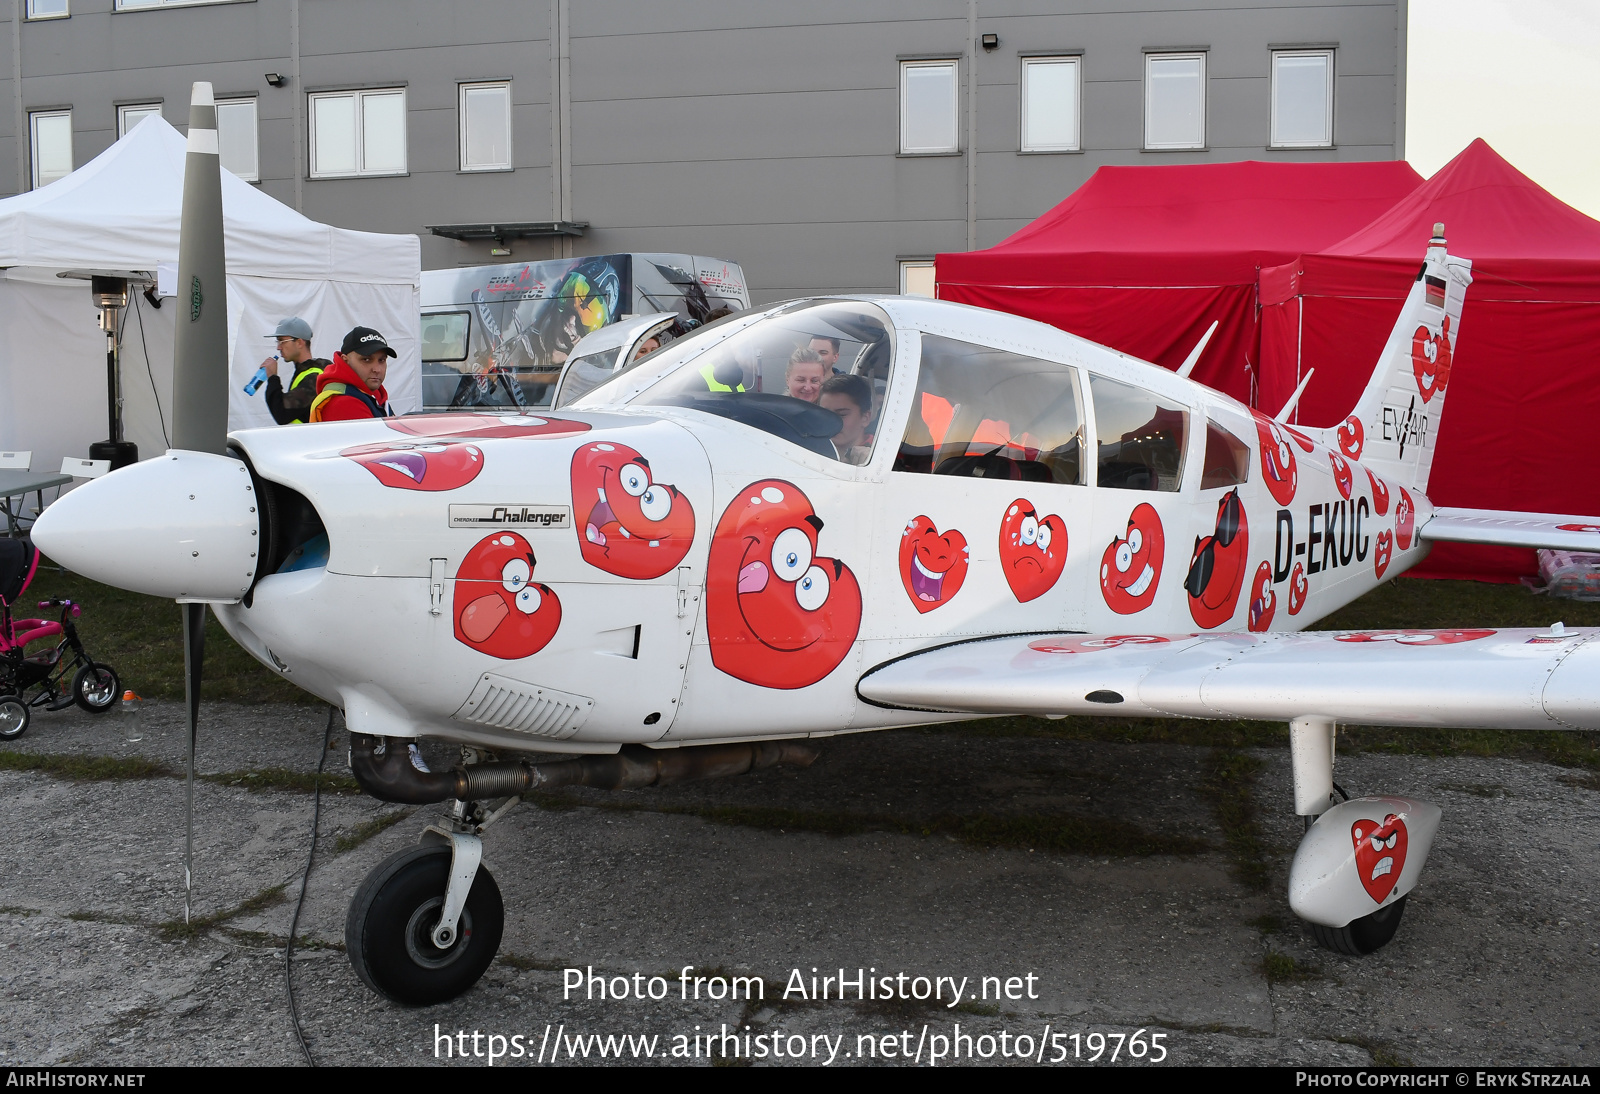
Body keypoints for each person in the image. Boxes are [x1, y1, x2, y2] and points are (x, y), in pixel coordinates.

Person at [310, 327, 397, 421]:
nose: (377, 369)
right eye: (366, 359)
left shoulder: (371, 393)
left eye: (382, 360)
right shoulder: (344, 402)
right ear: (345, 360)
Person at [259, 317, 329, 425]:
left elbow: (281, 414)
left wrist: (273, 377)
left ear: (299, 343)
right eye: (277, 342)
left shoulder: (315, 377)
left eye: (282, 341)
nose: (278, 347)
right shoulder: (305, 372)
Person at [820, 374, 874, 464]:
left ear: (865, 418)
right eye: (825, 414)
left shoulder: (887, 459)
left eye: (842, 414)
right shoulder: (809, 449)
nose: (831, 422)